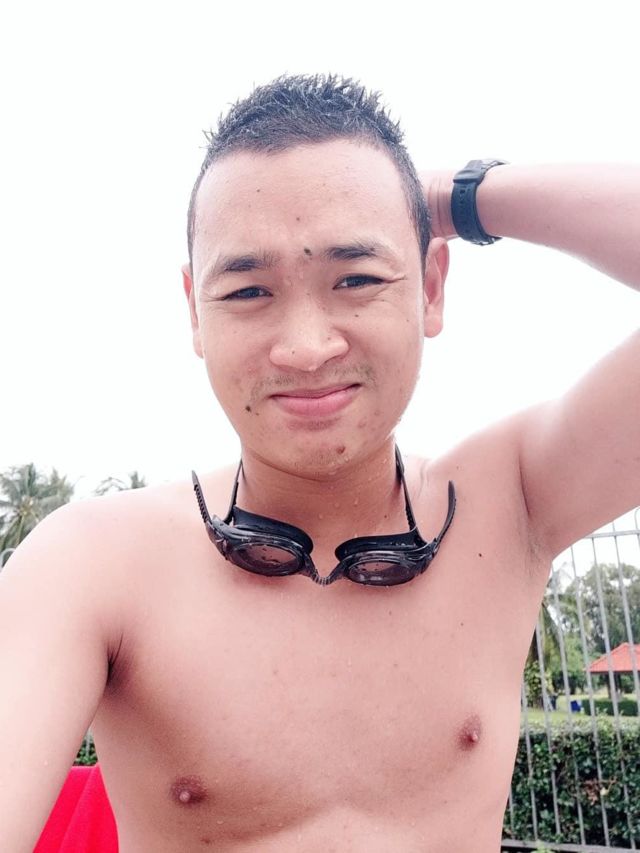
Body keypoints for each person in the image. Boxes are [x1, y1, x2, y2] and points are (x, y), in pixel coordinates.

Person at [1, 74, 638, 853]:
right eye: (248, 290)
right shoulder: (91, 564)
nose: (306, 347)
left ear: (431, 286)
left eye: (358, 278)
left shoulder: (512, 502)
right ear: (194, 310)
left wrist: (454, 197)